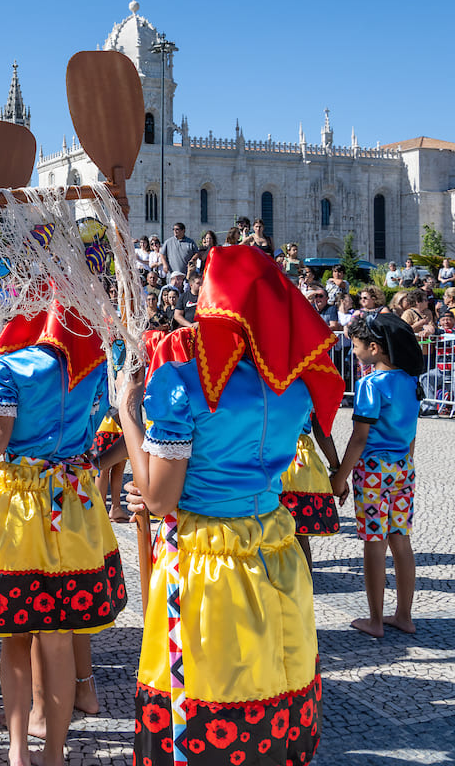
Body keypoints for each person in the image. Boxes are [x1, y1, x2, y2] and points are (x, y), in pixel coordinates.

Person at [119, 245, 341, 765]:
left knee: (205, 690)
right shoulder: (294, 385)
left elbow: (158, 497)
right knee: (271, 678)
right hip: (274, 548)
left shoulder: (181, 382)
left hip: (205, 557)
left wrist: (127, 411)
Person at [0, 298, 125, 766]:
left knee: (14, 637)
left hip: (15, 505)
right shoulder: (92, 361)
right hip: (72, 505)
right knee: (56, 638)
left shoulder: (5, 366)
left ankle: (18, 751)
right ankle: (53, 754)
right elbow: (99, 430)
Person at [331, 313, 424, 638]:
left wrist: (340, 477)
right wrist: (406, 464)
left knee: (374, 541)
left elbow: (360, 437)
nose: (353, 351)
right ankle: (404, 615)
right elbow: (411, 432)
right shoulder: (411, 381)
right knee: (401, 540)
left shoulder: (371, 383)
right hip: (403, 468)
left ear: (374, 347)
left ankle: (374, 619)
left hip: (372, 471)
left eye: (356, 346)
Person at [278, 414, 341, 569]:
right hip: (301, 459)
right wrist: (336, 469)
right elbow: (321, 428)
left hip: (271, 453)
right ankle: (306, 588)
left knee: (267, 531)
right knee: (299, 535)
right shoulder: (310, 388)